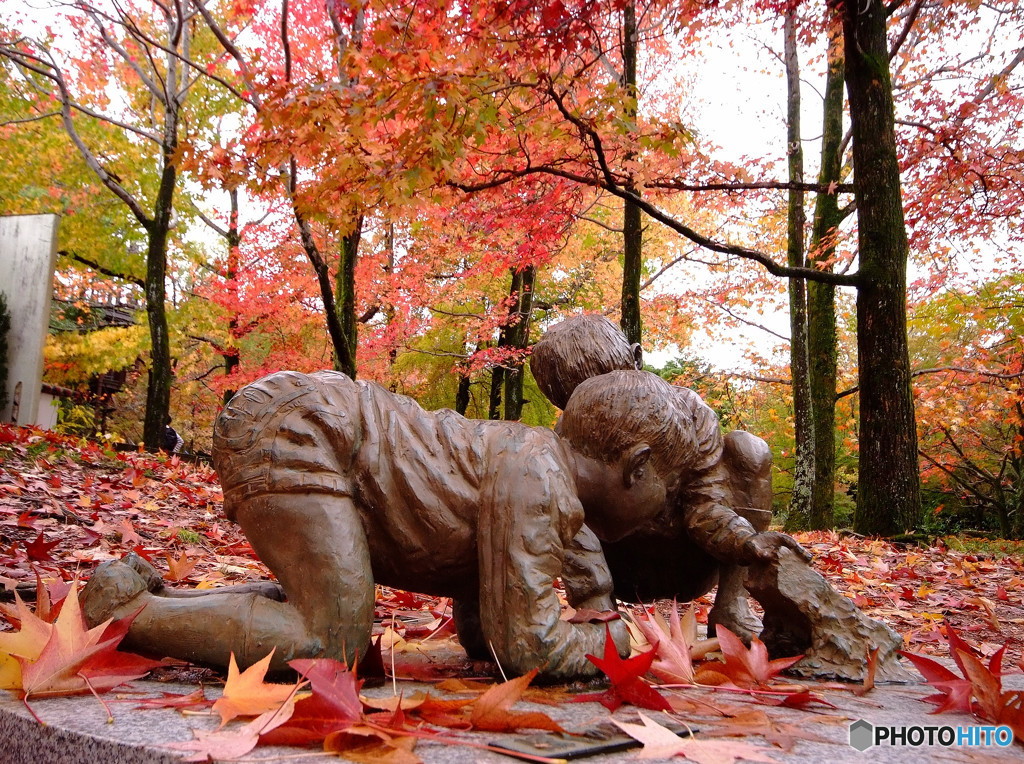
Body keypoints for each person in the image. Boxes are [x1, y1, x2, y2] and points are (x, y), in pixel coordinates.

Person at [531, 314, 795, 640]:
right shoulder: (566, 438)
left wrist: (746, 542)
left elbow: (706, 505)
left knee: (749, 449)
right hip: (621, 568)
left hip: (692, 557)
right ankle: (602, 610)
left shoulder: (688, 414)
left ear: (637, 358)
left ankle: (732, 605)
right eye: (580, 400)